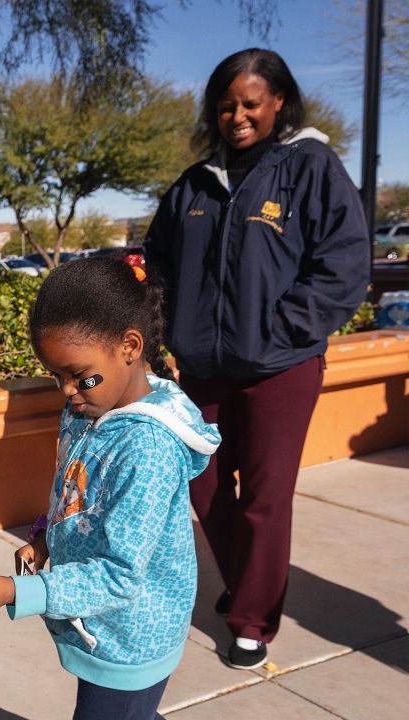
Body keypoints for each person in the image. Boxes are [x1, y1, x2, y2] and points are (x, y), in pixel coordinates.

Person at [143, 48, 369, 670]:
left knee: (265, 498)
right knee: (206, 485)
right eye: (225, 106)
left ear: (277, 103)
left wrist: (283, 330)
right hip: (203, 368)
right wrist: (162, 333)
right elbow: (156, 260)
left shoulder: (312, 167)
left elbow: (346, 264)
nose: (236, 116)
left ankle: (251, 619)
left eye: (249, 103)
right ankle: (247, 584)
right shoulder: (195, 182)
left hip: (280, 369)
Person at [0, 257, 222, 720]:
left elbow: (119, 574)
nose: (68, 391)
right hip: (99, 622)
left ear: (130, 346)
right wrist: (46, 536)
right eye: (56, 376)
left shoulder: (148, 448)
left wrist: (16, 593)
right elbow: (76, 490)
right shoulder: (88, 408)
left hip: (131, 637)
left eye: (80, 376)